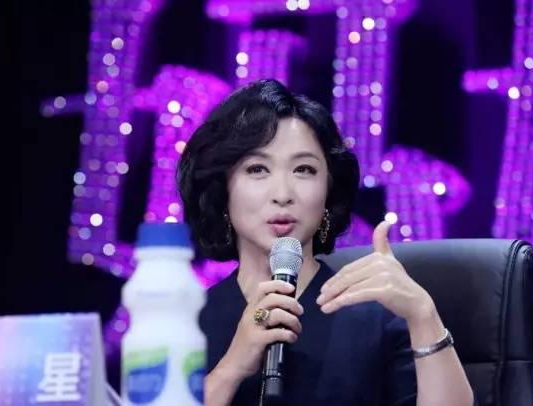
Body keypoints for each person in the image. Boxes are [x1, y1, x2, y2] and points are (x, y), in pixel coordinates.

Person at [177, 79, 475, 405]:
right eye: (258, 169)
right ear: (222, 190)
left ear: (328, 193)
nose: (283, 194)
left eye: (304, 169)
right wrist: (232, 367)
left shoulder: (375, 315)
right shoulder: (184, 322)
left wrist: (423, 315)